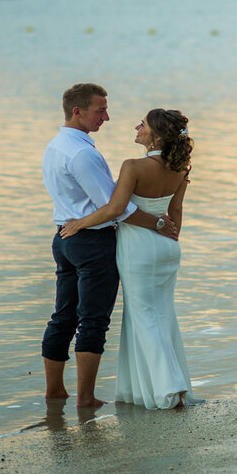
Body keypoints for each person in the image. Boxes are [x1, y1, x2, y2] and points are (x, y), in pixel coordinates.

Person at [41, 84, 176, 407]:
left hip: (63, 237)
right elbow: (118, 207)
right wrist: (158, 223)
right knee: (93, 320)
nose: (107, 116)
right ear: (78, 111)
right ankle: (85, 397)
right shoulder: (84, 154)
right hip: (92, 242)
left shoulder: (56, 145)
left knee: (63, 316)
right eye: (100, 110)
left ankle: (55, 391)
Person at [61, 108, 194, 409]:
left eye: (143, 125)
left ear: (156, 136)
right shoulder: (181, 166)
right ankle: (161, 386)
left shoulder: (133, 166)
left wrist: (78, 223)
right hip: (167, 247)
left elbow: (115, 209)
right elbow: (175, 212)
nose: (137, 127)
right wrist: (171, 241)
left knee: (145, 316)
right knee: (161, 315)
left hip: (139, 249)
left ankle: (169, 388)